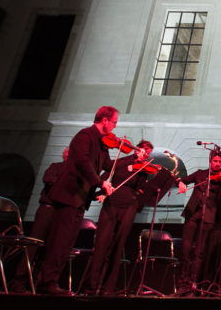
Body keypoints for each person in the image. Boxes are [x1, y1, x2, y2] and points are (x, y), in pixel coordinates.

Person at [36, 107, 117, 295]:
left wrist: (132, 160)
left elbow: (107, 165)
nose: (115, 126)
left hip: (80, 197)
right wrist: (100, 183)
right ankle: (45, 282)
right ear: (104, 120)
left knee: (66, 243)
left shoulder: (101, 143)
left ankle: (51, 281)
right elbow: (82, 162)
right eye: (113, 122)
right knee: (59, 241)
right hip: (68, 194)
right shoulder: (85, 135)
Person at [83, 140, 155, 296]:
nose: (146, 154)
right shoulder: (121, 161)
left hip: (129, 206)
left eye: (148, 152)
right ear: (136, 150)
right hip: (112, 203)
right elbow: (103, 178)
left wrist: (144, 179)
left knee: (118, 246)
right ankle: (91, 286)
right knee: (102, 244)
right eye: (144, 150)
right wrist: (100, 193)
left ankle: (107, 288)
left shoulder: (143, 170)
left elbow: (140, 189)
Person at [10, 147, 68, 293]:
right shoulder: (56, 167)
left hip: (62, 212)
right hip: (48, 209)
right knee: (34, 244)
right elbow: (48, 179)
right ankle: (18, 282)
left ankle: (40, 282)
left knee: (52, 248)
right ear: (66, 155)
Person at [177, 148, 221, 291]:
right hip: (193, 213)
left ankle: (195, 282)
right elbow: (184, 180)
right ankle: (183, 282)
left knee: (199, 252)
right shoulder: (200, 174)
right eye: (215, 161)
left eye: (220, 161)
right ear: (210, 161)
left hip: (208, 216)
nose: (218, 164)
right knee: (186, 250)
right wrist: (181, 184)